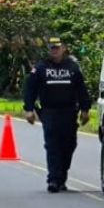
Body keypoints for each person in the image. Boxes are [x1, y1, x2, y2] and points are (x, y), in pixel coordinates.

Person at [22, 37, 91, 192]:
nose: (55, 50)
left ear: (63, 48)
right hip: (49, 112)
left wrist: (85, 109)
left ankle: (61, 176)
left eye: (57, 48)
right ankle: (53, 179)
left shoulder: (72, 67)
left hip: (69, 112)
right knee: (53, 145)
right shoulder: (41, 67)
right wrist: (29, 109)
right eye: (52, 48)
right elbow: (30, 89)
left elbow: (81, 89)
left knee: (69, 145)